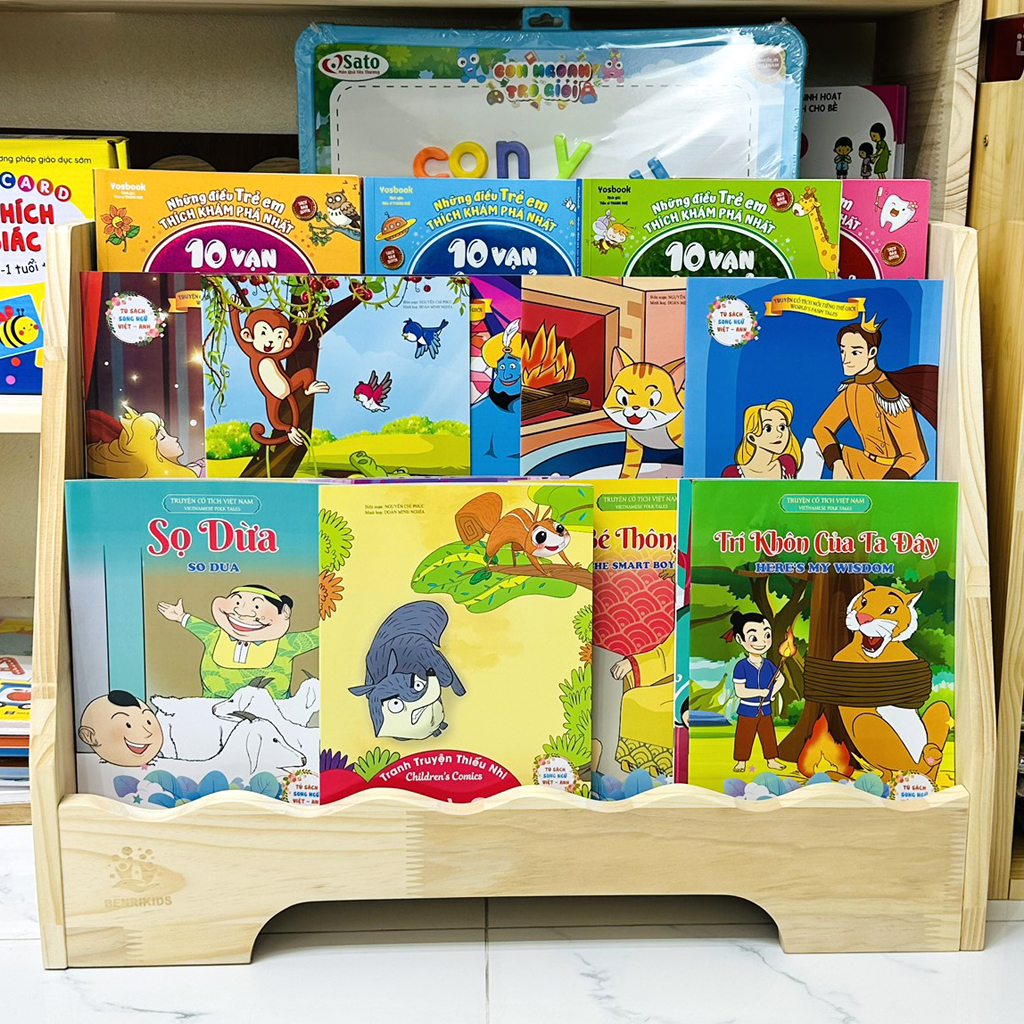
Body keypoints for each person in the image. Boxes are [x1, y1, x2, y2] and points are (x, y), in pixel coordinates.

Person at [813, 313, 935, 480]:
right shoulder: (851, 390)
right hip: (857, 464)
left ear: (872, 352)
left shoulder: (889, 396)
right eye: (842, 351)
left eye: (855, 352)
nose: (845, 359)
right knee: (812, 449)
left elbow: (915, 456)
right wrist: (837, 464)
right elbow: (822, 428)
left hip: (886, 473)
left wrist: (884, 488)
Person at [157, 584, 318, 698]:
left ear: (284, 613)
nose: (242, 613)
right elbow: (195, 624)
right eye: (238, 602)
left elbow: (318, 636)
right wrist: (180, 616)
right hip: (213, 714)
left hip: (271, 720)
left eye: (257, 607)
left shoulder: (286, 644)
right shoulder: (214, 636)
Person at [727, 612, 786, 773]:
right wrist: (760, 692)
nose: (761, 642)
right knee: (744, 736)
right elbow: (740, 691)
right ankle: (741, 762)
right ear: (740, 639)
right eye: (753, 638)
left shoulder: (768, 664)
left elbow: (780, 679)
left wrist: (772, 693)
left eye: (767, 635)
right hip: (747, 709)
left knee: (768, 735)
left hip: (765, 709)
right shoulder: (742, 666)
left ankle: (771, 760)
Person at [87, 406, 202, 479]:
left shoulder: (194, 467)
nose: (175, 438)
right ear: (153, 453)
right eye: (163, 437)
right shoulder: (180, 477)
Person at [77, 690, 164, 767]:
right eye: (128, 725)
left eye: (148, 722)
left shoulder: (162, 765)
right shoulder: (91, 767)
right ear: (89, 737)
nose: (147, 732)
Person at [722, 399, 802, 479]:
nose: (779, 434)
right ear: (752, 438)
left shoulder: (787, 464)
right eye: (768, 428)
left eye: (782, 427)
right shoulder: (732, 473)